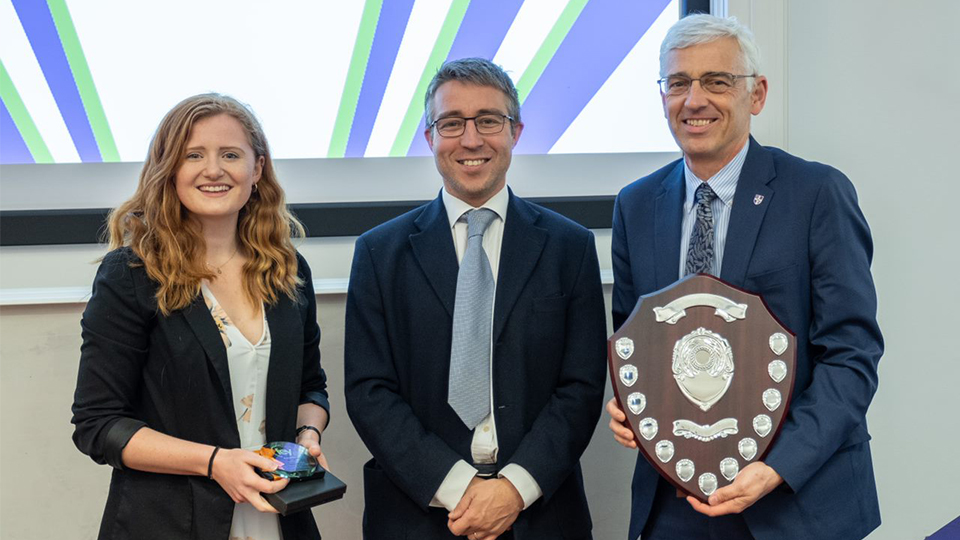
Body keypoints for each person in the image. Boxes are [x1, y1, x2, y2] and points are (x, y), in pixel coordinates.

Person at [605, 14, 883, 540]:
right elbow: (633, 340)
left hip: (797, 503)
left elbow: (851, 354)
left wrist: (779, 467)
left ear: (756, 95)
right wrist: (628, 402)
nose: (694, 100)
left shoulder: (816, 194)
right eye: (679, 83)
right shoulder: (635, 206)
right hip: (674, 505)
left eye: (717, 81)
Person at [344, 58, 606, 540]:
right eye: (451, 123)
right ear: (429, 138)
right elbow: (369, 392)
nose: (470, 139)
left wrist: (513, 489)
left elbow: (582, 387)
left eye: (488, 120)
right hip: (418, 514)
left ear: (516, 132)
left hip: (539, 513)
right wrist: (460, 487)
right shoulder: (380, 253)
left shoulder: (570, 247)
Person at [71, 94, 330, 540]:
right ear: (169, 170)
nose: (214, 170)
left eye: (230, 154)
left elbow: (311, 386)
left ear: (258, 169)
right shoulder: (131, 275)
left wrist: (306, 436)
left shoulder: (288, 271)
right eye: (193, 155)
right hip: (169, 522)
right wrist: (216, 463)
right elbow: (99, 424)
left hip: (278, 517)